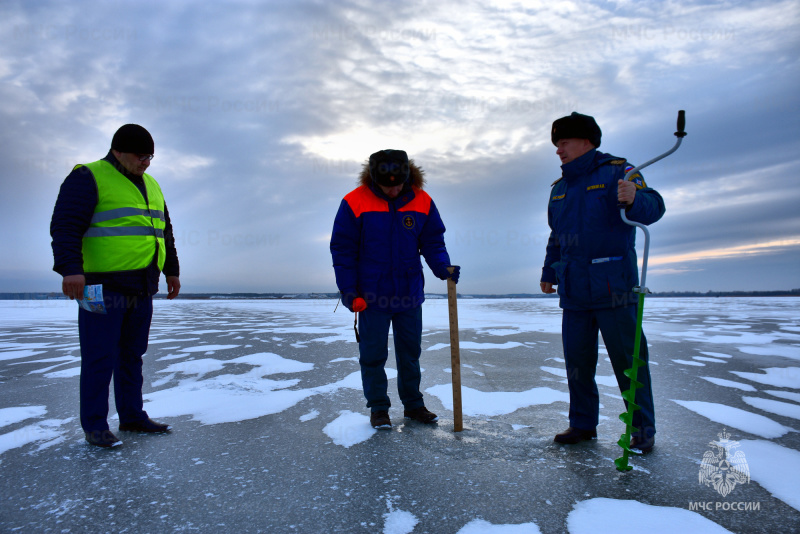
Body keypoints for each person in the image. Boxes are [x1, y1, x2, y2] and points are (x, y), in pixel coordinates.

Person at [540, 112, 665, 453]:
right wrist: (549, 272)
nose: (558, 150)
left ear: (586, 141)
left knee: (629, 362)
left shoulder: (621, 172)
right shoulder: (560, 189)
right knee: (578, 364)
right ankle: (582, 424)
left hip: (615, 288)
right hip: (575, 291)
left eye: (563, 143)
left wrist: (635, 198)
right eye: (556, 144)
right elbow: (557, 236)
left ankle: (642, 429)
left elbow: (654, 208)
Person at [50, 124, 180, 448]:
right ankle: (95, 425)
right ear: (118, 151)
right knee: (99, 357)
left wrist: (171, 271)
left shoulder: (152, 184)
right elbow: (65, 226)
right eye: (141, 156)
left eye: (151, 156)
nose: (147, 162)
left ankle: (132, 416)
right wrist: (70, 270)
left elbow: (165, 232)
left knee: (132, 355)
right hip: (101, 287)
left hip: (141, 286)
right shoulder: (88, 177)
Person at [330, 149, 459, 429]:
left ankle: (413, 405)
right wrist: (349, 290)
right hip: (370, 296)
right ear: (375, 180)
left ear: (408, 177)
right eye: (387, 185)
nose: (393, 190)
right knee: (373, 355)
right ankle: (378, 408)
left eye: (398, 184)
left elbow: (433, 241)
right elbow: (343, 250)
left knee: (410, 353)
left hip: (409, 293)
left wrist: (443, 267)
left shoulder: (422, 201)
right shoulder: (354, 202)